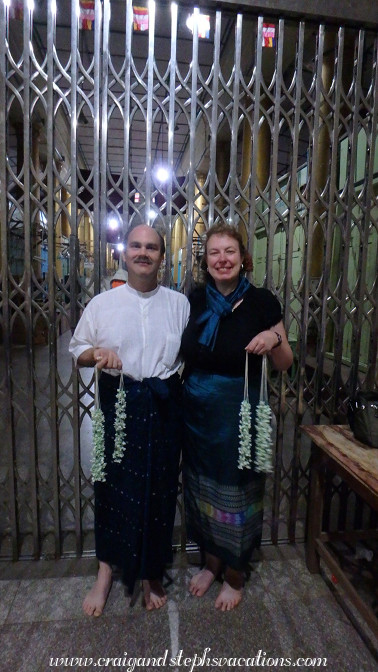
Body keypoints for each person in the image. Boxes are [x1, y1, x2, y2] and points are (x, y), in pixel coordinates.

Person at [69, 223, 190, 615]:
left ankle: (151, 572)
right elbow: (78, 348)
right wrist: (98, 354)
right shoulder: (102, 304)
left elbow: (188, 357)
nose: (143, 252)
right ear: (125, 253)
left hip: (164, 405)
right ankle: (106, 571)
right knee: (113, 487)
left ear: (161, 255)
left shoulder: (179, 304)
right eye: (136, 246)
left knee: (160, 488)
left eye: (151, 247)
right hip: (118, 405)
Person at [181, 222, 293, 612]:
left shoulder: (262, 302)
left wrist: (274, 339)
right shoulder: (194, 300)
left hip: (241, 412)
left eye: (229, 251)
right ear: (206, 261)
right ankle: (212, 562)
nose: (222, 259)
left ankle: (235, 572)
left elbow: (285, 362)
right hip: (196, 412)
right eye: (214, 252)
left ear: (242, 258)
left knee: (238, 487)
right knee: (201, 487)